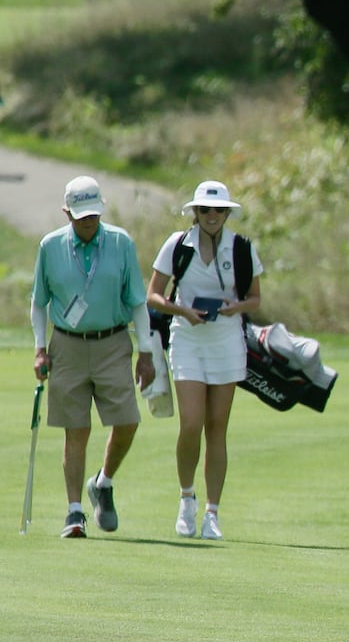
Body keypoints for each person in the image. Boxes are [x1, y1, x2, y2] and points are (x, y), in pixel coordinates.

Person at [30, 176, 157, 538]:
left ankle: (102, 482)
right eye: (81, 216)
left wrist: (145, 353)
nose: (88, 222)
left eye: (94, 215)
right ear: (67, 212)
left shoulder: (120, 242)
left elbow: (137, 301)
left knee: (128, 421)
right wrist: (40, 348)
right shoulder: (50, 246)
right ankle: (74, 513)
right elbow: (39, 303)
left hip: (112, 341)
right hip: (66, 345)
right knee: (77, 428)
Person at [147, 181, 264, 541]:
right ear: (194, 213)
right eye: (205, 210)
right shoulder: (177, 245)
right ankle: (187, 500)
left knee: (217, 427)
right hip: (187, 338)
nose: (212, 216)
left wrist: (234, 308)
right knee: (191, 423)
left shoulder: (242, 248)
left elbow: (255, 299)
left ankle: (212, 513)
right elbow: (152, 295)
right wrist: (182, 310)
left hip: (226, 341)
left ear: (227, 213)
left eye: (218, 211)